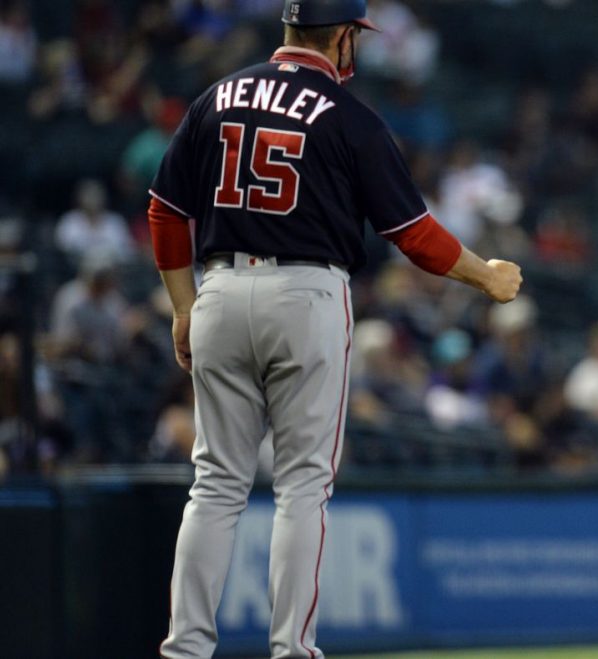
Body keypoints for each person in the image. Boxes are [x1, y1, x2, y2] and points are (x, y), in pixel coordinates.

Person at [146, 1, 522, 657]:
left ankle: (185, 648)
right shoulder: (350, 116)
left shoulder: (219, 95)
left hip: (222, 285)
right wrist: (486, 276)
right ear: (345, 37)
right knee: (301, 485)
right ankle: (293, 647)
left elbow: (164, 211)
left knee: (215, 484)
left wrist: (183, 306)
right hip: (306, 292)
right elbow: (415, 237)